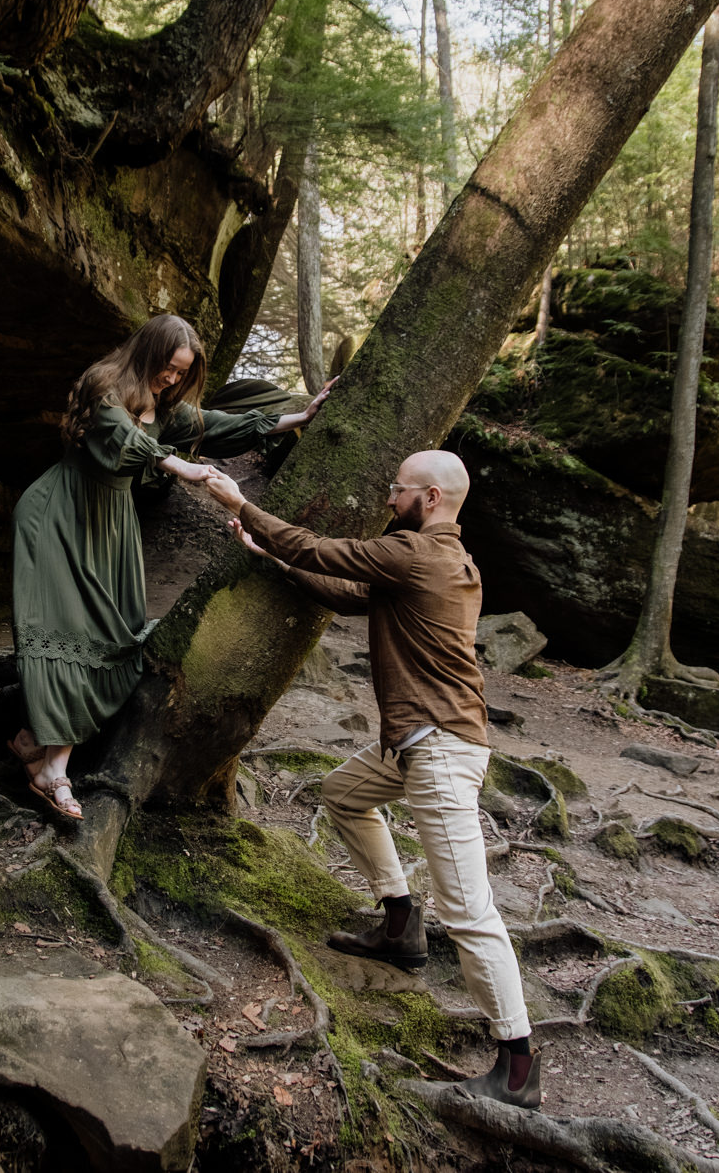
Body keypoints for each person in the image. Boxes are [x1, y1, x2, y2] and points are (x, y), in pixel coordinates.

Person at [205, 450, 541, 1108]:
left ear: (432, 499)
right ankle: (399, 925)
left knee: (471, 911)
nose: (390, 499)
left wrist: (237, 503)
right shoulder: (438, 561)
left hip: (439, 750)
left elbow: (323, 551)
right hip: (417, 742)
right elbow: (346, 590)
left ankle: (518, 1064)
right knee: (342, 794)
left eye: (398, 490)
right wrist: (270, 558)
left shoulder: (417, 553)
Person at [8, 314, 336, 820]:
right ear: (148, 355)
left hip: (111, 527)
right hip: (59, 515)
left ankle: (37, 742)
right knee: (65, 626)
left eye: (181, 373)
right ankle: (55, 771)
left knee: (116, 637)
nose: (171, 379)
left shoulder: (166, 408)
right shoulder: (106, 384)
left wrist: (297, 419)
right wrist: (174, 463)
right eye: (167, 368)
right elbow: (120, 435)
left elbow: (216, 427)